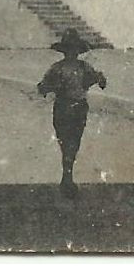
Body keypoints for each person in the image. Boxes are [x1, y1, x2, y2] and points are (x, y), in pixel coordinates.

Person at [37, 27, 106, 197]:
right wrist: (98, 78)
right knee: (73, 141)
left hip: (64, 107)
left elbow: (42, 88)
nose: (71, 53)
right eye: (70, 50)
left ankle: (67, 175)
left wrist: (51, 87)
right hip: (77, 107)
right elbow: (101, 83)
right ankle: (67, 175)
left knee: (66, 141)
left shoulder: (57, 68)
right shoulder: (84, 67)